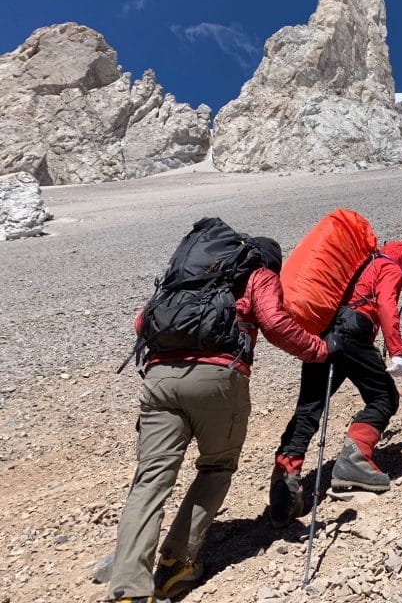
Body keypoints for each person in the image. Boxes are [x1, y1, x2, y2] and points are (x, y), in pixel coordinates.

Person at [108, 236, 330, 603]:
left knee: (149, 481)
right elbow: (275, 323)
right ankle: (177, 564)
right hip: (218, 379)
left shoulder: (188, 275)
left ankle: (128, 590)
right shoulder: (259, 274)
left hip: (160, 377)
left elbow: (139, 323)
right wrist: (320, 350)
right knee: (215, 467)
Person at [269, 241, 402, 527]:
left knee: (310, 406)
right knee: (384, 396)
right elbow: (386, 304)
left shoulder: (361, 265)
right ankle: (355, 460)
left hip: (324, 334)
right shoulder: (389, 267)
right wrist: (396, 352)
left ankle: (286, 470)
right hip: (353, 334)